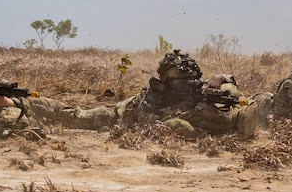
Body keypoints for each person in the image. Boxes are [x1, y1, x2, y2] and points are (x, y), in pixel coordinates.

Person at [112, 50, 261, 139]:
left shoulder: (208, 91)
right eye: (181, 81)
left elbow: (241, 102)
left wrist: (221, 77)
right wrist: (171, 113)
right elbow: (144, 118)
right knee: (108, 114)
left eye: (192, 80)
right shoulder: (158, 91)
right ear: (168, 81)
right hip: (128, 109)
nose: (188, 84)